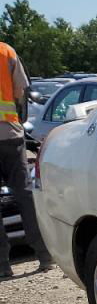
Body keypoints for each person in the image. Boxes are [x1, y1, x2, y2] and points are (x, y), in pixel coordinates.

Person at [0, 40, 51, 279]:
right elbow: (21, 91)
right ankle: (44, 255)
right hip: (10, 134)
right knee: (25, 193)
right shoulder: (6, 51)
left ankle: (3, 265)